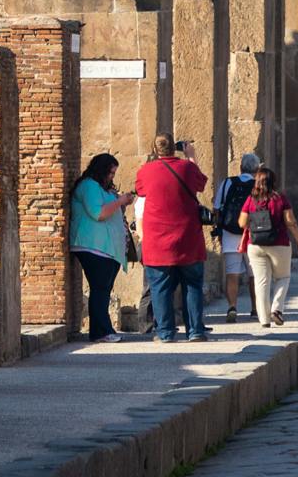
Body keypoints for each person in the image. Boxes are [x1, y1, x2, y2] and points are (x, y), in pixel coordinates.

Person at [133, 136, 211, 341]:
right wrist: (192, 156)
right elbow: (201, 184)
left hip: (157, 240)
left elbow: (140, 190)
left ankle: (165, 332)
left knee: (160, 287)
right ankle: (195, 331)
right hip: (188, 238)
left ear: (155, 150)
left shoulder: (146, 171)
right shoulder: (187, 167)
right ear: (175, 148)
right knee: (192, 285)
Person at [238, 165, 298, 327]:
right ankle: (276, 309)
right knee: (283, 277)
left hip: (255, 244)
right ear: (273, 181)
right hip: (279, 243)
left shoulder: (251, 199)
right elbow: (291, 222)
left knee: (261, 281)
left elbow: (242, 223)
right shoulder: (280, 198)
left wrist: (254, 221)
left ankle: (264, 320)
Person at [69, 154, 129, 341]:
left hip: (106, 248)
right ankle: (101, 331)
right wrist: (119, 202)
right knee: (100, 288)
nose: (112, 176)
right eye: (110, 172)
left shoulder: (102, 187)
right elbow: (99, 213)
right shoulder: (88, 186)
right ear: (101, 170)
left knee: (103, 289)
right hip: (92, 246)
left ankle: (103, 329)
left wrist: (121, 202)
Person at [211, 154, 259, 325]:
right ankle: (255, 308)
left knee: (232, 274)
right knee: (255, 275)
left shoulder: (227, 183)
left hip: (230, 234)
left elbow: (217, 208)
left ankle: (232, 306)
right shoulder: (258, 185)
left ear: (241, 167)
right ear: (257, 170)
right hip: (254, 235)